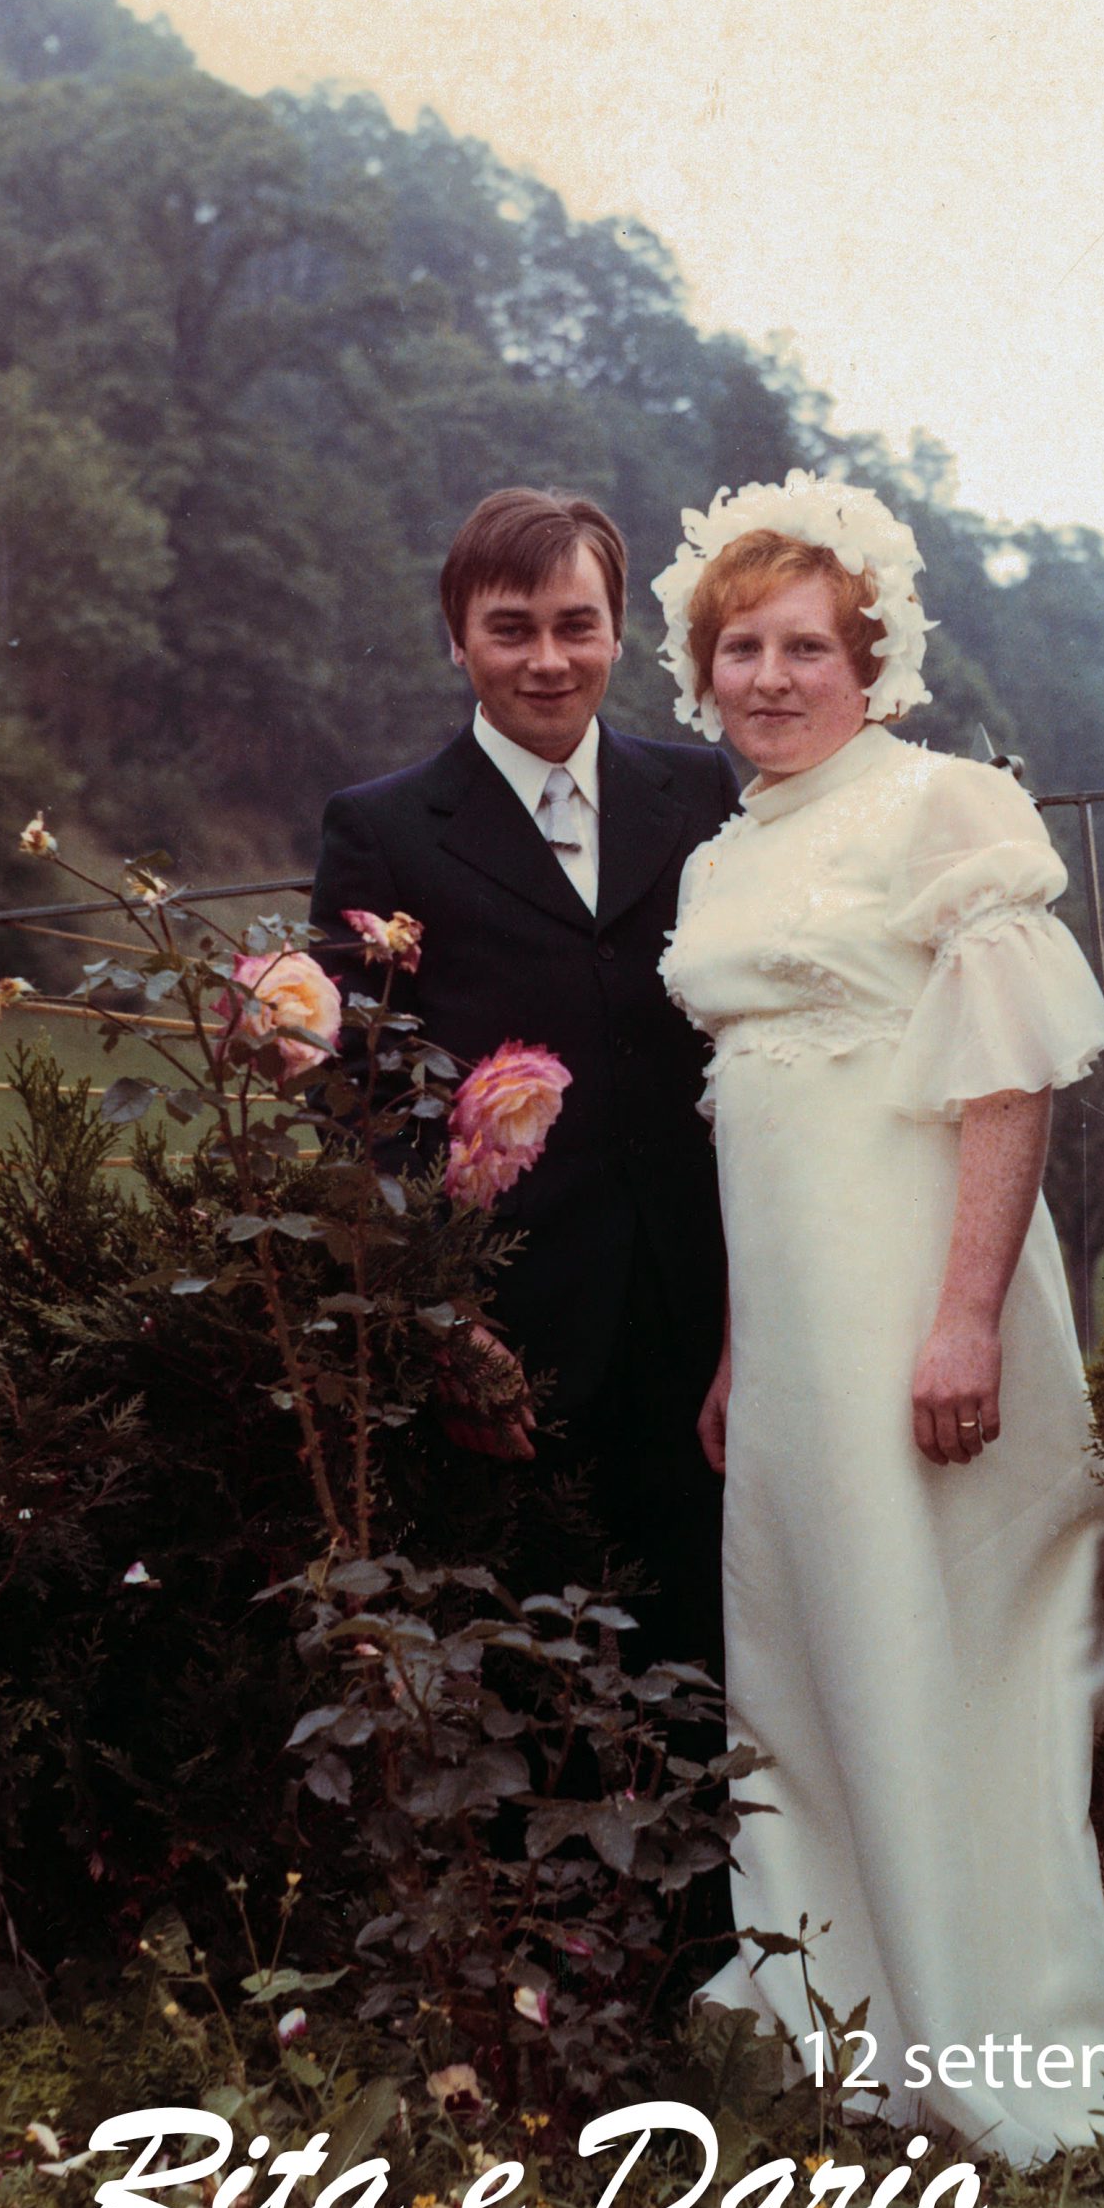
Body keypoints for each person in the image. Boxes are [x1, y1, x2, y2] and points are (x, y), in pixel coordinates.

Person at [654, 472, 1104, 2163]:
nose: (767, 677)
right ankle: (845, 2016)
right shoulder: (722, 854)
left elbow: (1006, 1083)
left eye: (803, 647)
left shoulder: (941, 806)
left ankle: (993, 2012)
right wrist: (740, 1348)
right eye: (739, 647)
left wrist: (963, 1318)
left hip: (915, 1296)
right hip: (792, 1328)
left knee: (940, 1636)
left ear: (868, 658)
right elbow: (744, 1112)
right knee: (812, 1643)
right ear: (701, 666)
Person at [309, 488, 739, 1682]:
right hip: (513, 1344)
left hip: (705, 1323)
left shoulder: (702, 794)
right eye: (511, 628)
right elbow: (354, 1100)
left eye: (575, 624)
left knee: (711, 1669)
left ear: (617, 632)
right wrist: (446, 1318)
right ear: (457, 638)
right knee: (532, 1679)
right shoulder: (384, 830)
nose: (547, 660)